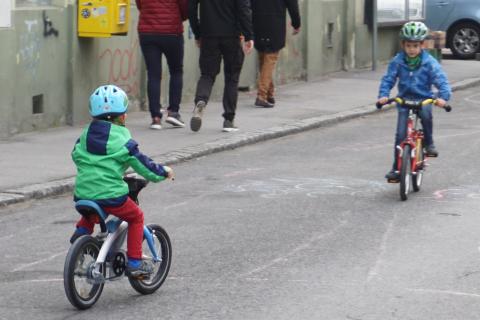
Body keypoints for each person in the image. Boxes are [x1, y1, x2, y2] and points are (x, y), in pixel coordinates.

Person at [69, 85, 174, 278]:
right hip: (110, 194)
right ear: (123, 117)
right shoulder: (123, 141)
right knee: (135, 216)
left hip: (83, 193)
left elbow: (75, 155)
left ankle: (79, 238)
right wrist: (162, 173)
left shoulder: (84, 137)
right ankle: (134, 263)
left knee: (90, 213)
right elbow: (144, 165)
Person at [378, 21, 451, 181]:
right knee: (400, 134)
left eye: (415, 46)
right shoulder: (398, 61)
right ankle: (396, 169)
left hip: (423, 98)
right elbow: (388, 79)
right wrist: (383, 95)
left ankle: (429, 143)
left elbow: (441, 80)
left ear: (422, 45)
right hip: (404, 99)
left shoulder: (429, 62)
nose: (412, 49)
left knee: (426, 115)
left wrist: (443, 98)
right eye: (409, 46)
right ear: (403, 45)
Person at [188, 0, 254, 132]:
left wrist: (198, 32)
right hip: (232, 35)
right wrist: (248, 36)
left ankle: (201, 101)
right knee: (232, 77)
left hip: (209, 34)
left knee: (207, 74)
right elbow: (244, 9)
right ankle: (228, 120)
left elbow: (191, 7)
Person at [136, 0, 188, 130]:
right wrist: (178, 17)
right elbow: (185, 6)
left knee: (153, 74)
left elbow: (139, 4)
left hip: (148, 32)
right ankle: (173, 112)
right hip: (172, 31)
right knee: (176, 71)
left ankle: (156, 118)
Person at [251, 0, 301, 108]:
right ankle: (261, 96)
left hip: (258, 23)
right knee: (270, 59)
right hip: (274, 24)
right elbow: (293, 6)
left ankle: (269, 94)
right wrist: (296, 24)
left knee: (264, 60)